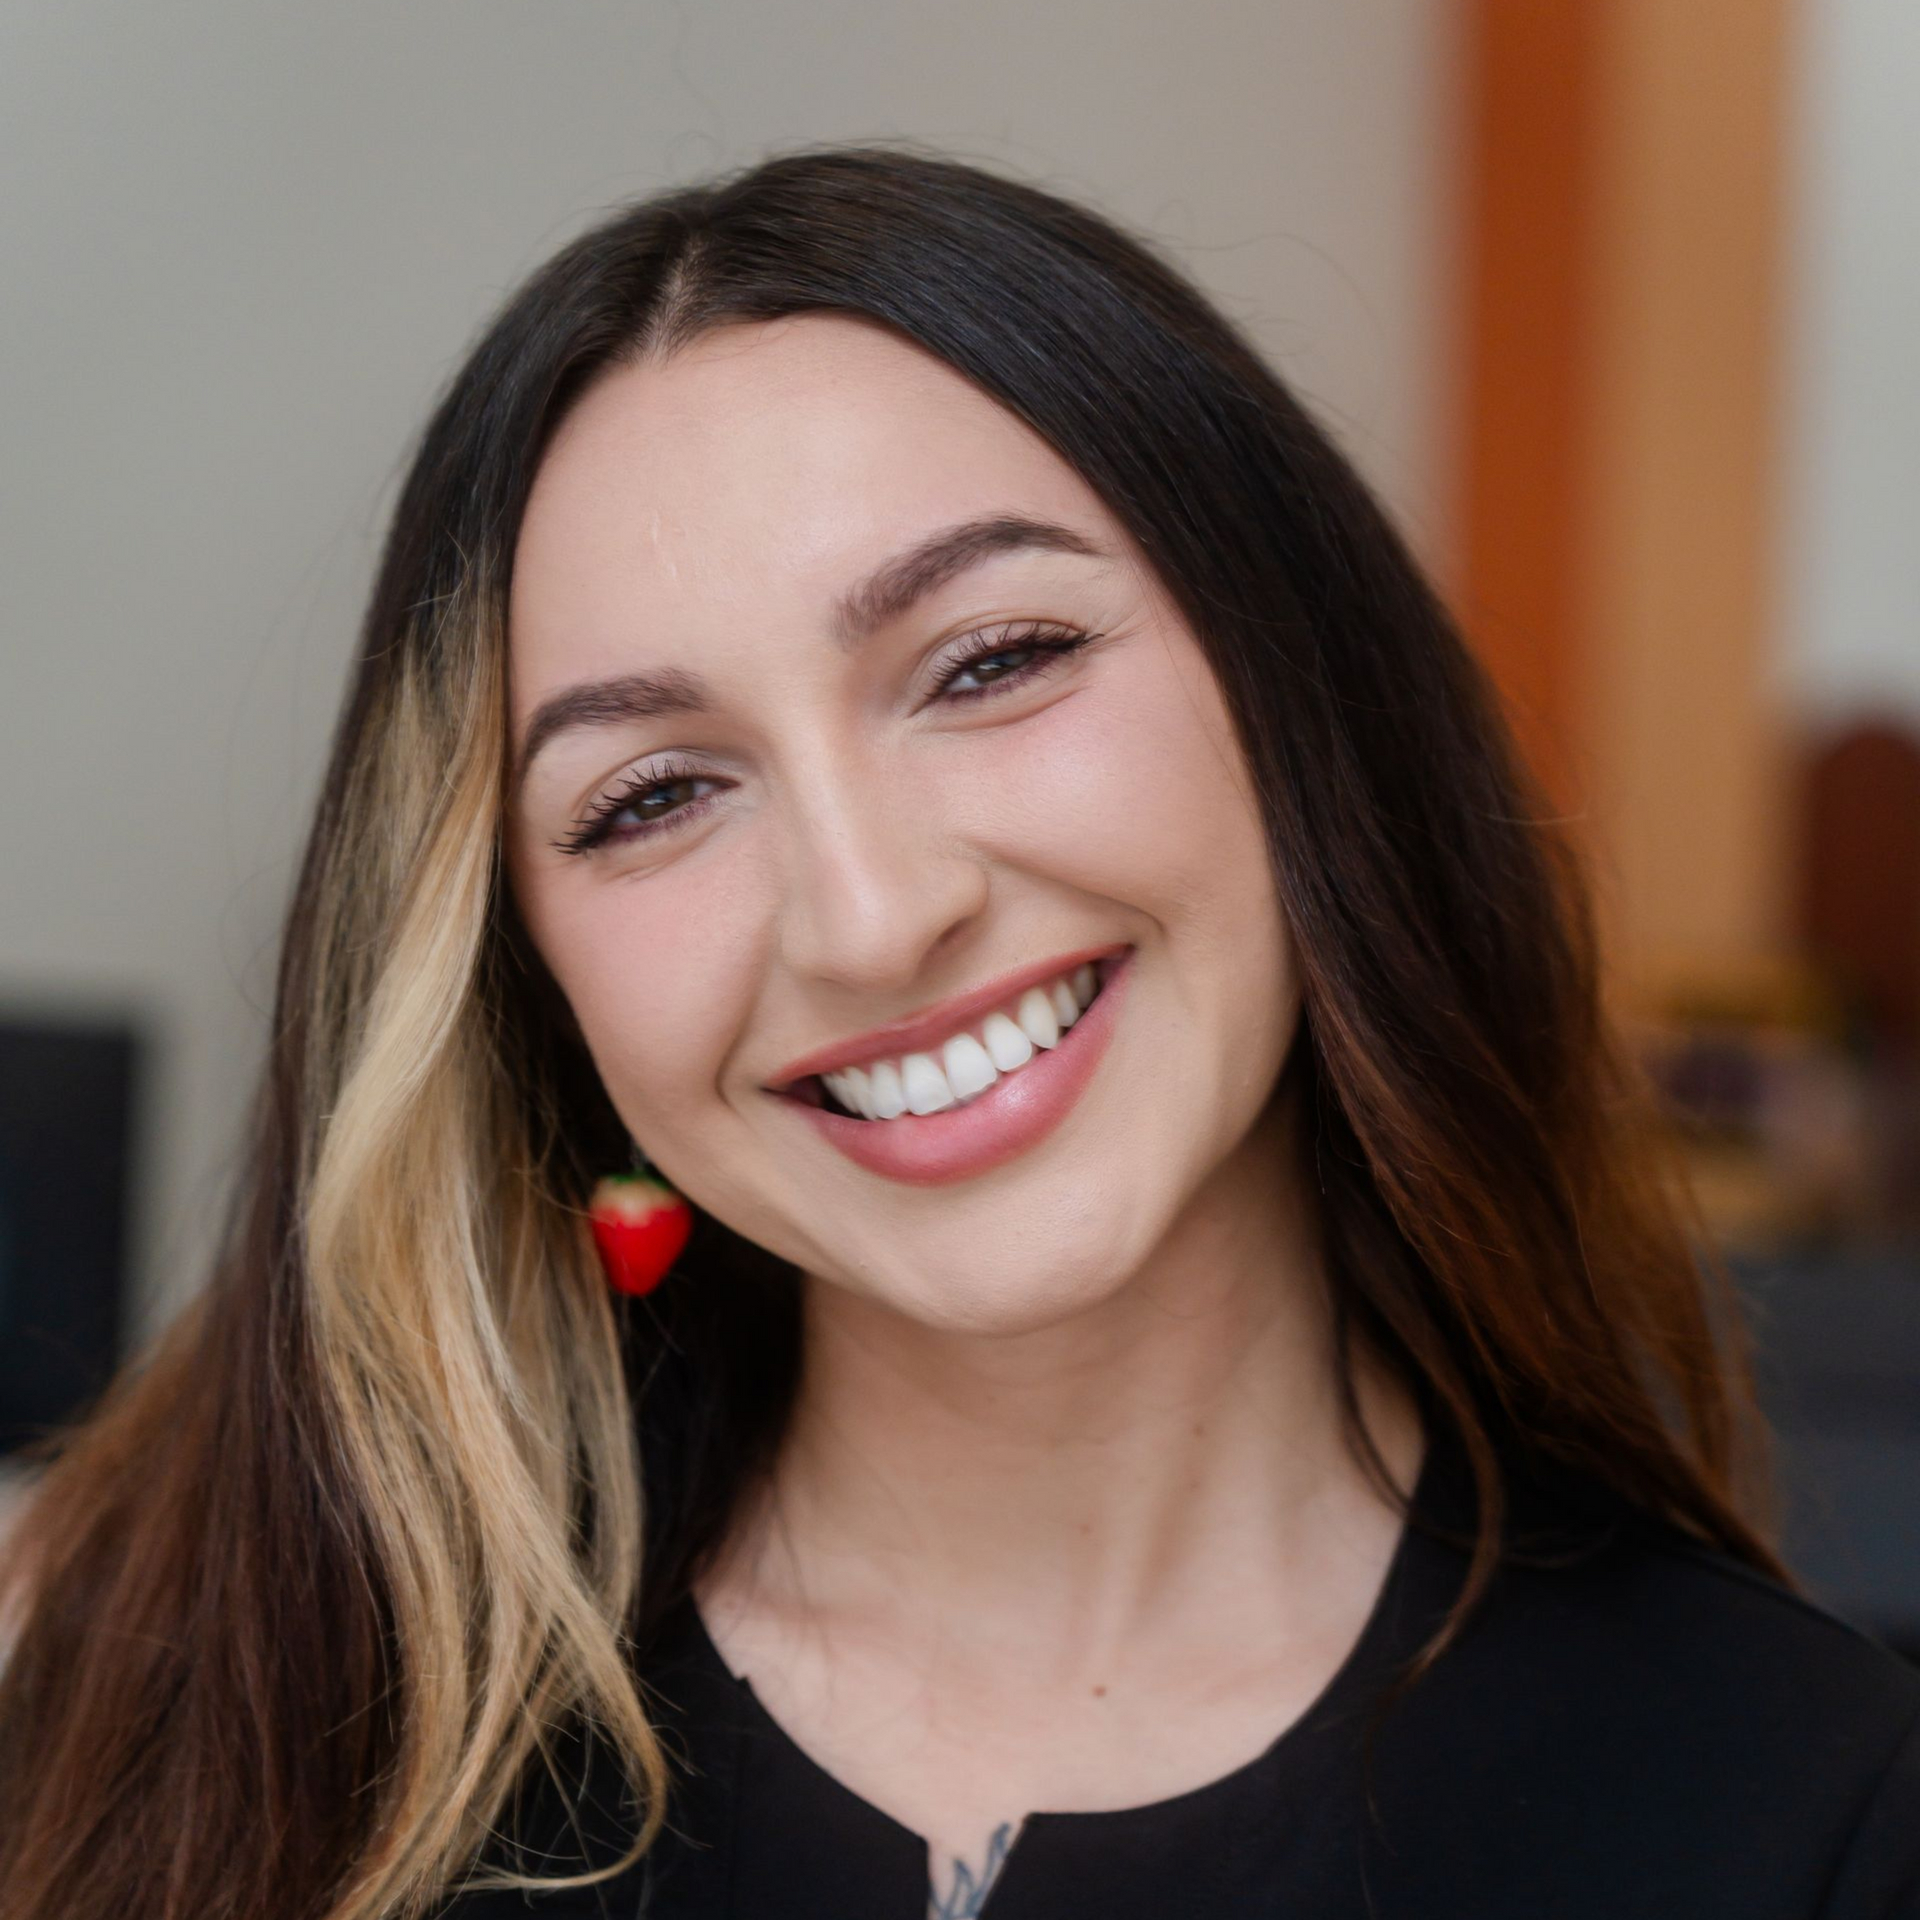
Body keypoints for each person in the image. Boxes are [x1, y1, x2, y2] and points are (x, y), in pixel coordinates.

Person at [1, 143, 1914, 1920]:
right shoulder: (191, 1705)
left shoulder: (1806, 1805)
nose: (870, 912)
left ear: (1301, 696)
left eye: (994, 661)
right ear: (529, 991)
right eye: (653, 795)